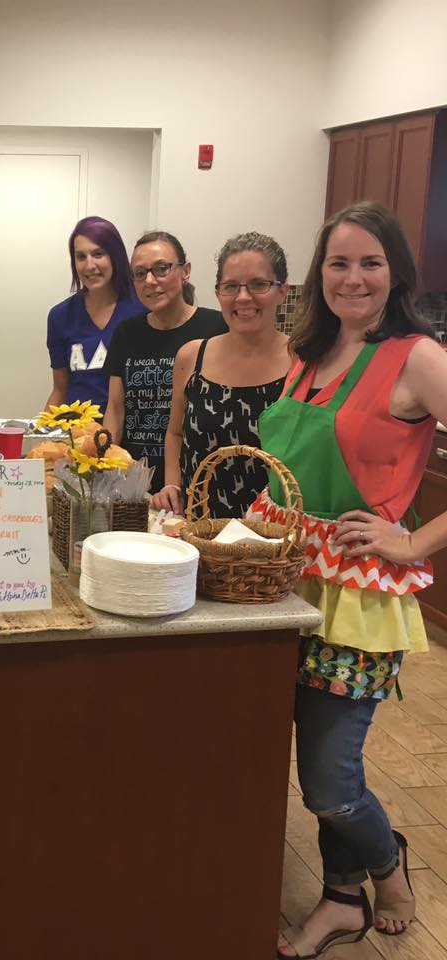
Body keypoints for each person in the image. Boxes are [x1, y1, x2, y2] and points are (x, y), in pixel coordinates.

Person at [241, 203, 447, 958]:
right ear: (318, 273)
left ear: (396, 272)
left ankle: (386, 863)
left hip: (356, 593)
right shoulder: (310, 352)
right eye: (338, 262)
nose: (352, 278)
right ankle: (340, 900)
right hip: (283, 578)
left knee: (329, 780)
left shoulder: (418, 356)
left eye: (369, 262)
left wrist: (411, 539)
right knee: (293, 753)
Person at [150, 232, 290, 518]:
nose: (243, 297)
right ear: (218, 293)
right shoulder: (191, 358)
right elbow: (175, 433)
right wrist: (171, 486)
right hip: (197, 532)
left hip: (273, 543)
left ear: (282, 291)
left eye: (258, 285)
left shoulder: (302, 363)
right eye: (231, 286)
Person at [102, 230, 226, 490]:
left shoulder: (216, 327)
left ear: (186, 270)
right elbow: (115, 407)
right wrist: (106, 466)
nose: (150, 281)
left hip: (196, 477)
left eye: (161, 269)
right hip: (134, 479)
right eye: (139, 273)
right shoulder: (125, 333)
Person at [45, 216, 141, 413]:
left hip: (132, 434)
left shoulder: (142, 309)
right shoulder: (60, 316)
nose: (89, 266)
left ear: (115, 256)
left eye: (98, 254)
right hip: (80, 434)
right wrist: (40, 434)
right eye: (81, 257)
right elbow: (60, 389)